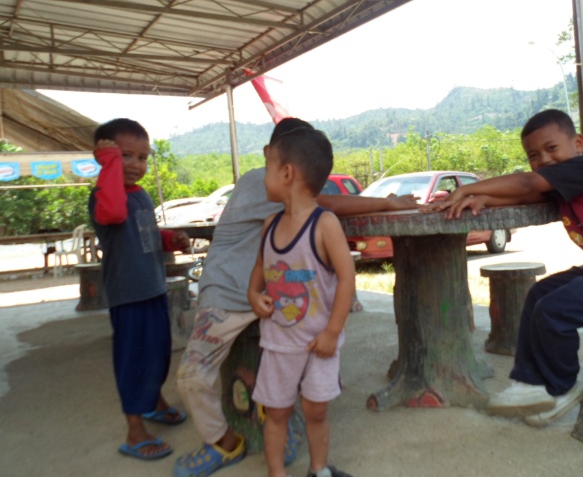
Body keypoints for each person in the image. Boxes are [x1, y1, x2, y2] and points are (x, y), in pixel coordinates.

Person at [174, 117, 416, 477]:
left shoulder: (302, 207)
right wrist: (388, 203)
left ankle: (284, 422)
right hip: (228, 294)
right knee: (192, 375)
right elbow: (329, 203)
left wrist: (332, 327)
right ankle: (225, 442)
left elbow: (322, 216)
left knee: (303, 378)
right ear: (281, 162)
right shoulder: (258, 179)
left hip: (282, 299)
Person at [433, 109, 583, 426]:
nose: (544, 160)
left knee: (554, 309)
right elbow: (528, 195)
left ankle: (561, 387)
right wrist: (483, 198)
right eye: (534, 155)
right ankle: (531, 384)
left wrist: (467, 189)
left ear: (578, 143)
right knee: (538, 294)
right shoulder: (567, 183)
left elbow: (525, 184)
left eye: (552, 148)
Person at [248, 125, 354, 477]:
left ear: (287, 173)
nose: (264, 177)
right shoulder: (270, 225)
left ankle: (319, 469)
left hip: (317, 344)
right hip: (279, 344)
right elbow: (261, 266)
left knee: (315, 410)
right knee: (276, 413)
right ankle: (276, 473)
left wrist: (332, 331)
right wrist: (253, 293)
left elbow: (346, 277)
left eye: (267, 168)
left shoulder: (324, 225)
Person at [89, 118, 190, 460]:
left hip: (153, 290)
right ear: (104, 157)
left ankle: (154, 402)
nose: (135, 165)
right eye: (125, 156)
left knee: (158, 353)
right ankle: (134, 432)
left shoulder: (142, 195)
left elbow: (144, 233)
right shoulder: (103, 196)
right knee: (133, 361)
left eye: (142, 158)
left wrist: (170, 239)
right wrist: (111, 165)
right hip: (129, 296)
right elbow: (115, 214)